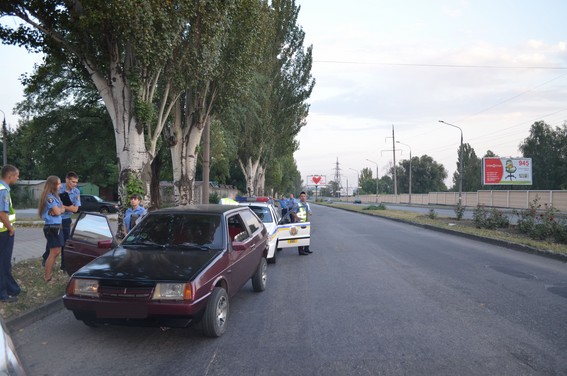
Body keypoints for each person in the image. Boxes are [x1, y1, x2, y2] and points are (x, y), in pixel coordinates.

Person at [42, 172, 81, 269]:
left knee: (65, 243)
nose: (75, 184)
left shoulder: (76, 192)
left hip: (66, 219)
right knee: (53, 243)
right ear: (67, 180)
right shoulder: (57, 187)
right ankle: (46, 259)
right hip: (54, 221)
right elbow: (50, 203)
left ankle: (64, 266)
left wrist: (60, 207)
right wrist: (64, 207)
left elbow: (75, 209)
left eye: (76, 182)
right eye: (73, 181)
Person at [39, 176, 65, 282]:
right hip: (52, 227)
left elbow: (61, 209)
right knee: (53, 252)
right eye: (58, 184)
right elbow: (59, 211)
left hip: (56, 226)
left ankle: (49, 275)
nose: (61, 185)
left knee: (57, 251)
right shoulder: (49, 197)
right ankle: (47, 277)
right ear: (53, 185)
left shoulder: (55, 197)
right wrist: (59, 210)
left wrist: (59, 210)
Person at [0, 165, 20, 302]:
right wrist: (10, 229)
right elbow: (2, 213)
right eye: (16, 175)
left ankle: (11, 288)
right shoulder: (3, 191)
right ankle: (3, 293)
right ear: (9, 176)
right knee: (4, 263)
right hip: (4, 232)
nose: (17, 178)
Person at [291, 191, 313, 255]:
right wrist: (297, 217)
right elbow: (292, 212)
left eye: (304, 196)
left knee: (307, 235)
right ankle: (301, 251)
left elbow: (309, 211)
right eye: (302, 196)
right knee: (301, 237)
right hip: (300, 223)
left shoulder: (307, 204)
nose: (303, 197)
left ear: (306, 197)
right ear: (300, 197)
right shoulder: (297, 204)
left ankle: (306, 249)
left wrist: (310, 212)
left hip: (306, 223)